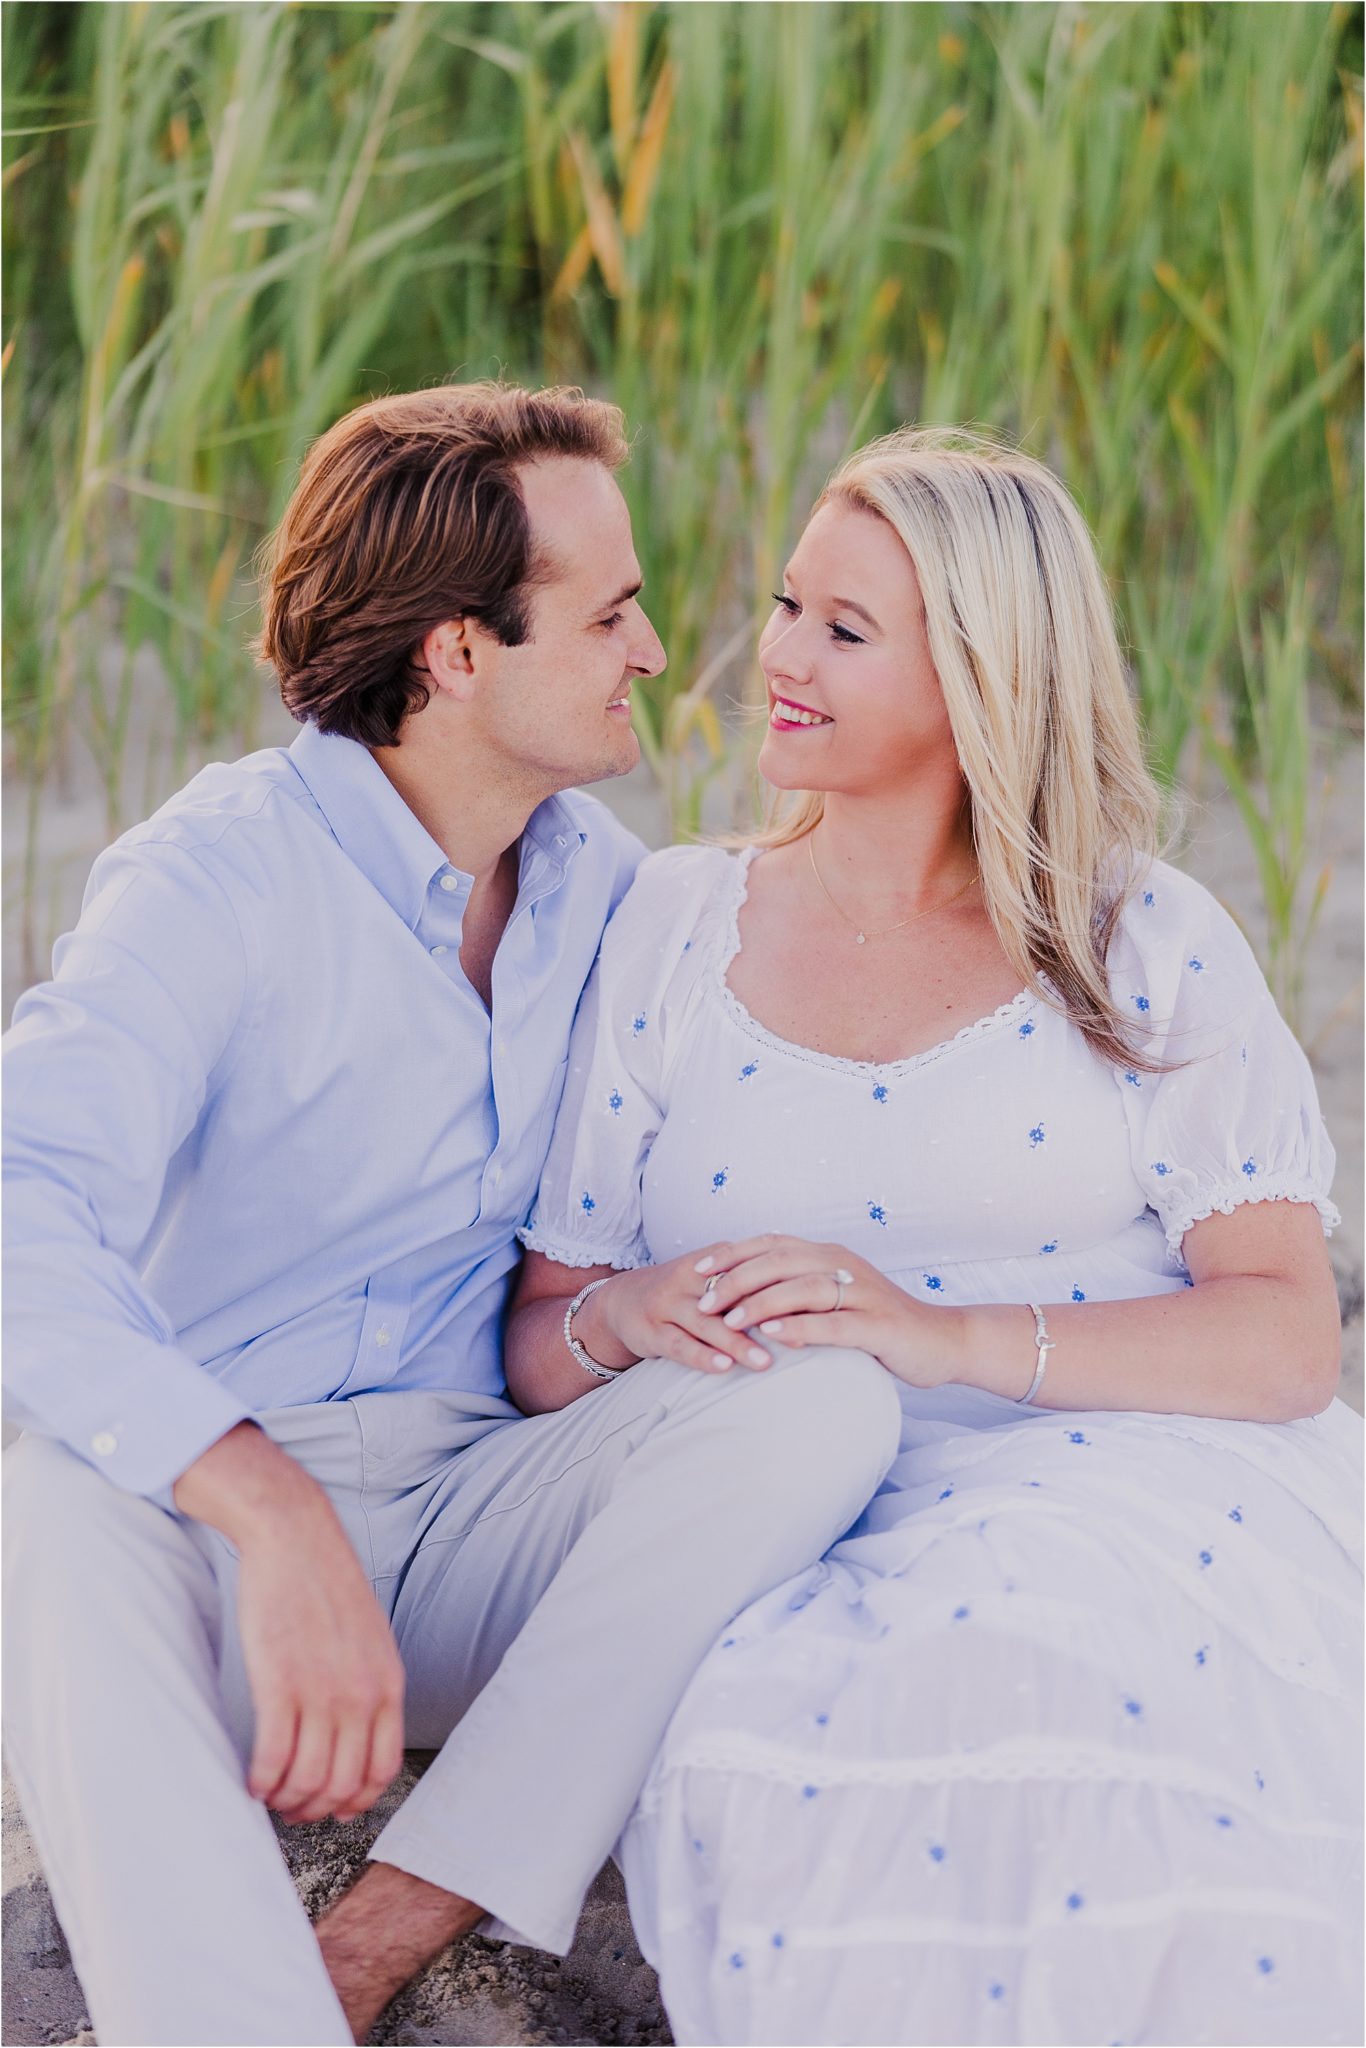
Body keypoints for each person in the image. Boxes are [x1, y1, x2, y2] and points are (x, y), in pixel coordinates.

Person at [1, 381, 904, 2048]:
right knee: (43, 1508)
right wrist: (266, 1515)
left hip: (480, 1518)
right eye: (611, 612)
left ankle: (404, 1913)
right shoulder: (215, 877)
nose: (654, 652)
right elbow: (18, 1210)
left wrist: (645, 1311)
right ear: (454, 653)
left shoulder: (610, 897)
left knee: (824, 1392)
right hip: (221, 1554)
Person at [507, 425, 1364, 2047]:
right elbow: (543, 1339)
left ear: (982, 673)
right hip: (769, 1503)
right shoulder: (671, 926)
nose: (772, 657)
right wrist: (632, 1312)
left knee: (1065, 1681)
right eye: (782, 604)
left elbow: (1283, 1336)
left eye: (844, 629)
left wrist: (938, 1334)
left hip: (1121, 1481)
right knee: (793, 1736)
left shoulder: (1133, 937)